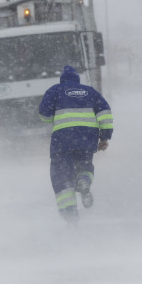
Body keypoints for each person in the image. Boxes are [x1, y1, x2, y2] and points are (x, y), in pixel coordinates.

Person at [39, 65, 113, 224]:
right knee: (85, 164)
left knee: (61, 176)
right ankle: (84, 180)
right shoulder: (90, 91)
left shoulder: (55, 90)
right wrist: (104, 137)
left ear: (62, 79)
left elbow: (44, 113)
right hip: (86, 140)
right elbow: (105, 112)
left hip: (62, 142)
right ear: (77, 80)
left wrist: (53, 120)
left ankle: (70, 214)